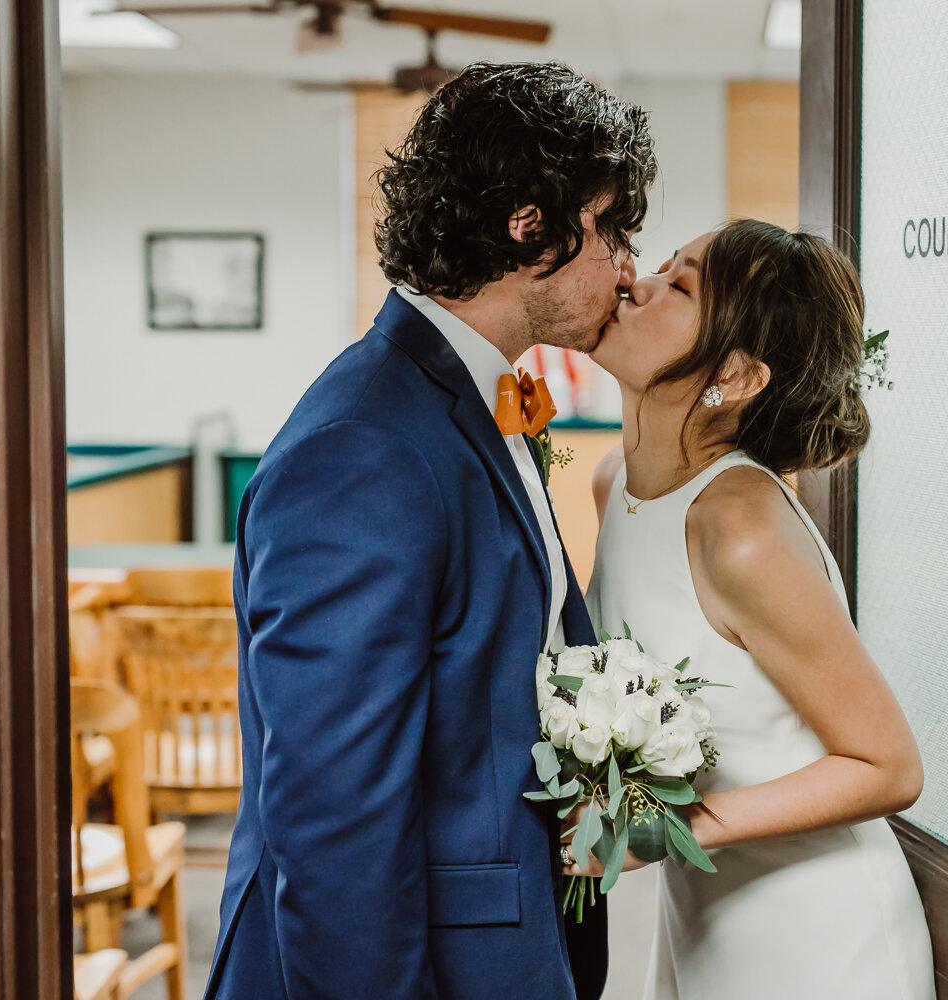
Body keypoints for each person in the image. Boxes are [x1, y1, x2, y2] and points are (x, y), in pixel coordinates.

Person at [203, 62, 655, 1000]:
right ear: (530, 224)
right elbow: (335, 828)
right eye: (611, 228)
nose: (627, 265)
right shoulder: (366, 449)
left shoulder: (469, 394)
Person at [576, 220, 936, 998]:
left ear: (736, 377)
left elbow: (887, 766)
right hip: (705, 917)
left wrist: (668, 829)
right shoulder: (614, 485)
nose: (635, 282)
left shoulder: (737, 526)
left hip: (821, 937)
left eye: (680, 285)